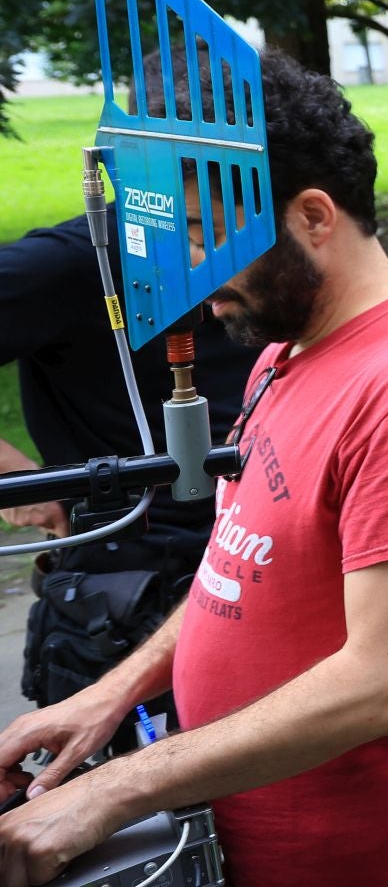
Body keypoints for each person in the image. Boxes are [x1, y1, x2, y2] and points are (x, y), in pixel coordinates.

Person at [0, 52, 388, 887]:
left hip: (366, 864)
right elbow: (237, 571)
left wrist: (112, 794)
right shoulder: (286, 349)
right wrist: (109, 698)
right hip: (250, 842)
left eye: (205, 236)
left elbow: (385, 681)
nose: (193, 278)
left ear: (313, 216)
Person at [0, 206, 251, 725]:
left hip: (261, 547)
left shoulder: (273, 241)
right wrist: (19, 479)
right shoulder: (74, 262)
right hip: (133, 580)